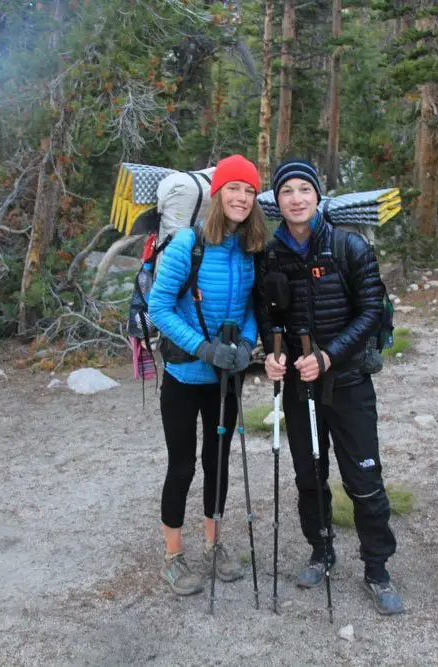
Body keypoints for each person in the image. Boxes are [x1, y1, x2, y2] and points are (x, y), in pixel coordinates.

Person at [258, 158, 404, 615]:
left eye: (304, 189)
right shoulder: (269, 254)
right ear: (277, 201)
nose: (296, 198)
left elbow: (369, 311)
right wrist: (272, 355)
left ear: (318, 197)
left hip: (347, 381)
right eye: (287, 191)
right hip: (300, 389)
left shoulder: (349, 246)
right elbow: (266, 315)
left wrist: (328, 355)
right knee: (309, 478)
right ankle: (321, 552)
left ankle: (377, 569)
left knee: (363, 478)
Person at [148, 154, 266, 596]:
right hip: (183, 377)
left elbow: (252, 308)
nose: (241, 197)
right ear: (217, 194)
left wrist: (245, 345)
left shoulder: (250, 249)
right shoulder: (187, 244)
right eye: (233, 188)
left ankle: (214, 545)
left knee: (217, 466)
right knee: (181, 467)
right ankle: (173, 557)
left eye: (249, 190)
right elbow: (160, 307)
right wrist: (204, 348)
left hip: (226, 381)